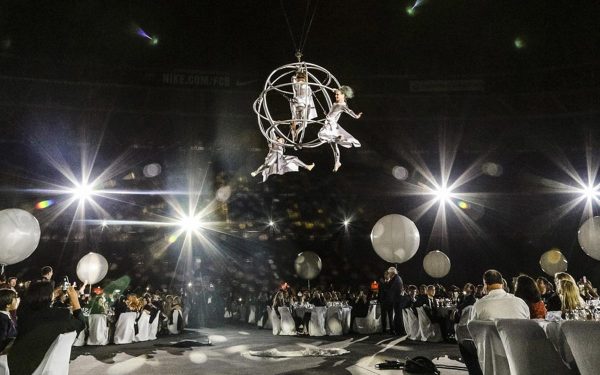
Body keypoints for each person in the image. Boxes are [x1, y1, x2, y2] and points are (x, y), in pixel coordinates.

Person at [461, 270, 529, 375]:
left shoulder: (479, 305)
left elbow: (472, 331)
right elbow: (527, 325)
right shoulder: (520, 302)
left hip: (492, 351)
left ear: (485, 284)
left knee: (464, 343)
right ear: (502, 283)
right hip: (519, 349)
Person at [8, 281, 85, 374]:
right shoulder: (60, 315)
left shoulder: (23, 314)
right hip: (45, 367)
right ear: (49, 296)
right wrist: (75, 300)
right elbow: (81, 323)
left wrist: (50, 296)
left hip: (16, 364)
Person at [318, 86, 362, 172]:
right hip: (328, 123)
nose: (336, 96)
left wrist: (356, 116)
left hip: (331, 126)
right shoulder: (336, 103)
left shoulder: (343, 105)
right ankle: (337, 162)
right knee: (334, 146)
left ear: (343, 95)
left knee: (321, 135)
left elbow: (349, 111)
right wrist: (327, 114)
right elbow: (334, 90)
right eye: (336, 95)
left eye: (338, 95)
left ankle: (337, 138)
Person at [289, 70, 317, 141]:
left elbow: (293, 79)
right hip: (301, 104)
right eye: (300, 79)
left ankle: (296, 132)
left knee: (302, 122)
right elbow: (308, 96)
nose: (300, 80)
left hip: (299, 105)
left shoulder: (299, 85)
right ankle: (295, 130)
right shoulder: (305, 85)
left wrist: (297, 73)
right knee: (303, 122)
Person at [387, 267, 405, 335]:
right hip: (398, 299)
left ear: (392, 273)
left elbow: (390, 289)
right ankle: (399, 330)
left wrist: (388, 280)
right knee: (398, 315)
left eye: (389, 273)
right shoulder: (398, 278)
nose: (389, 274)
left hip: (396, 300)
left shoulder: (395, 279)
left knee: (397, 316)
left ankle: (399, 331)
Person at [0, 288, 18, 353]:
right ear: (8, 304)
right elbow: (2, 339)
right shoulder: (2, 320)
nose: (17, 300)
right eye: (15, 298)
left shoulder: (7, 315)